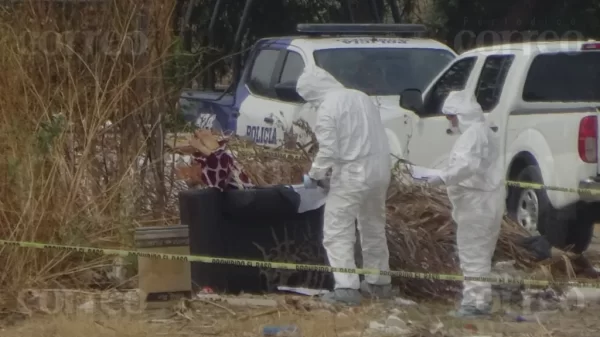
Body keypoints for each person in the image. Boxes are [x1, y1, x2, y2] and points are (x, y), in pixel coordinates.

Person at [297, 66, 393, 305]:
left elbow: (330, 150)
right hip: (380, 169)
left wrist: (315, 175)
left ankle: (346, 288)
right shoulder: (360, 97)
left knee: (337, 228)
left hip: (353, 173)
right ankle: (378, 282)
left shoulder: (329, 107)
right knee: (372, 225)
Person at [427, 90, 505, 318]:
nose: (450, 122)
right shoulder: (484, 132)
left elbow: (466, 166)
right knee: (480, 254)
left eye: (451, 117)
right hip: (487, 200)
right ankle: (481, 301)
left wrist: (442, 178)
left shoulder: (472, 135)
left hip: (477, 202)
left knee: (473, 255)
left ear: (461, 115)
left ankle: (475, 305)